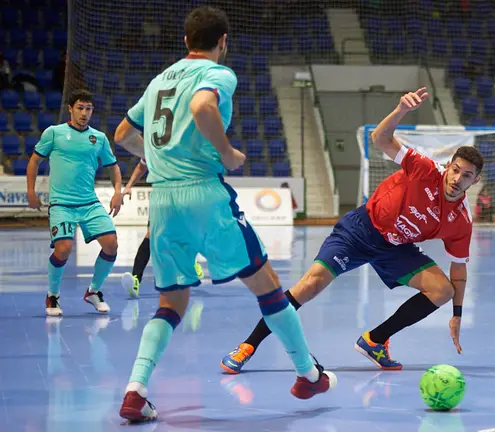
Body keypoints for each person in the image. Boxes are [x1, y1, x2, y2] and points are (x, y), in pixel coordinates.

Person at [113, 6, 335, 422]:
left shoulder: (160, 79)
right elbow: (201, 107)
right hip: (204, 195)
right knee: (267, 286)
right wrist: (226, 151)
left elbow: (122, 135)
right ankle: (308, 374)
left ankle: (135, 390)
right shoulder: (218, 73)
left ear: (185, 41)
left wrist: (160, 160)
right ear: (223, 42)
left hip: (162, 201)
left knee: (172, 301)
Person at [221, 88, 482, 373]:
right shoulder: (425, 169)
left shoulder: (461, 221)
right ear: (449, 166)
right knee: (310, 284)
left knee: (441, 290)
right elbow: (379, 139)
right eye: (455, 170)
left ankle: (375, 340)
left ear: (475, 180)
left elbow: (458, 272)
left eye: (466, 175)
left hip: (396, 247)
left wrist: (456, 314)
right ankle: (248, 344)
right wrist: (401, 110)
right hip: (361, 231)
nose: (457, 178)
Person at [26, 89, 123, 317]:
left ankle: (94, 292)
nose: (84, 113)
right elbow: (34, 162)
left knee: (111, 244)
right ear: (70, 109)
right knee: (64, 249)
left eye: (88, 109)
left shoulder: (98, 138)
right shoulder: (54, 133)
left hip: (89, 203)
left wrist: (117, 192)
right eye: (80, 108)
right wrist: (30, 192)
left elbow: (114, 167)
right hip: (61, 204)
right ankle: (53, 296)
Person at [119, 159, 204, 298]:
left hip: (183, 194)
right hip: (160, 196)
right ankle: (135, 280)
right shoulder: (154, 143)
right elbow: (142, 165)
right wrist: (129, 186)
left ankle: (191, 263)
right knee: (150, 236)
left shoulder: (183, 145)